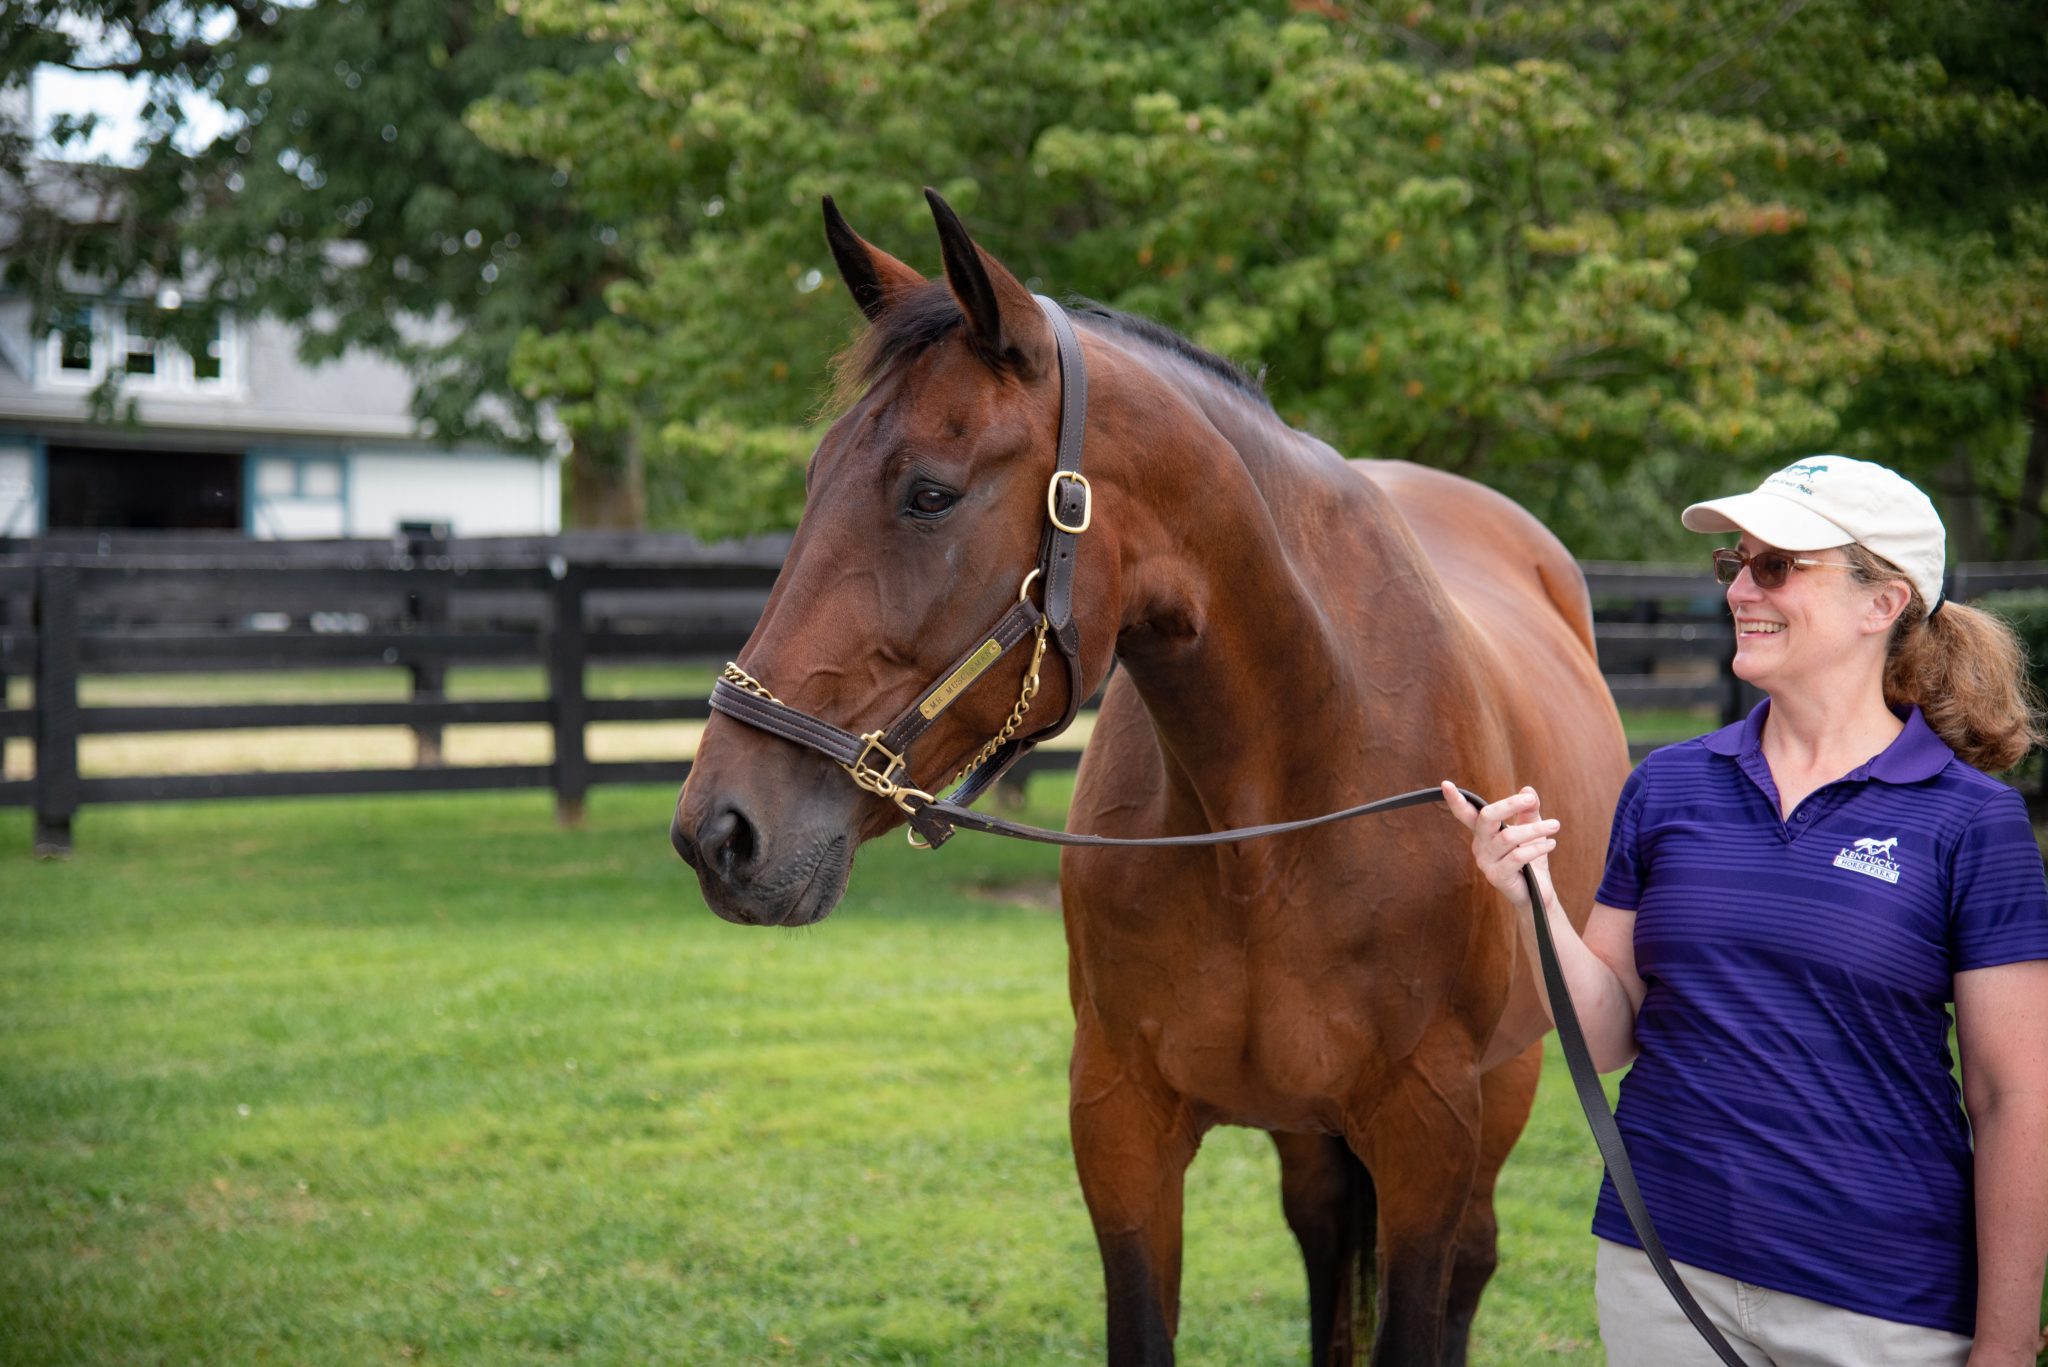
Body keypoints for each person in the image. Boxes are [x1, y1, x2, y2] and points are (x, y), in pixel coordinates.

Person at [1443, 456, 2048, 1366]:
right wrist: (1530, 897)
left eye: (1778, 566)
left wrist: (2003, 1343)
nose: (1742, 590)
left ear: (1882, 603)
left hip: (1881, 1303)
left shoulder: (1973, 820)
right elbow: (1608, 1033)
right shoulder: (1669, 785)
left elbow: (2015, 1099)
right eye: (1737, 563)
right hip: (1663, 1276)